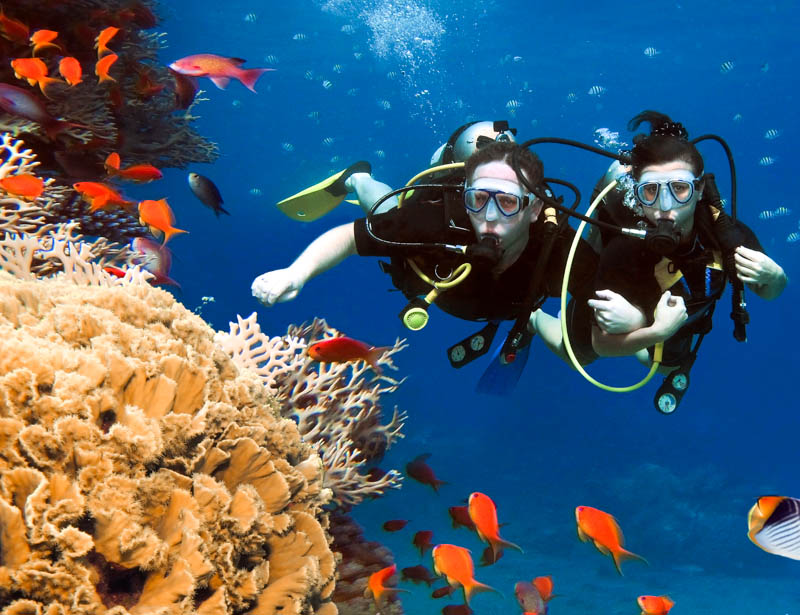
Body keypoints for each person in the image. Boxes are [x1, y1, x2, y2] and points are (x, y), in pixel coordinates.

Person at [252, 139, 599, 389]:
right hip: (422, 272)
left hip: (510, 304)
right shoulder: (432, 221)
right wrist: (296, 273)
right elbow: (349, 238)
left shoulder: (559, 248)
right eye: (478, 199)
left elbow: (609, 293)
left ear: (535, 208)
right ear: (465, 197)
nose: (490, 217)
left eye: (508, 202)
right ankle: (358, 178)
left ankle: (533, 318)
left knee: (576, 349)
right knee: (386, 212)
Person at [532, 110, 786, 386]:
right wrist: (656, 331)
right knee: (576, 355)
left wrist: (776, 278)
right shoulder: (623, 248)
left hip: (678, 320)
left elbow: (769, 292)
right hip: (637, 316)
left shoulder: (725, 234)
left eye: (679, 188)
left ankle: (641, 339)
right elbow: (600, 344)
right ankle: (534, 319)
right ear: (637, 195)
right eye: (651, 190)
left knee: (667, 367)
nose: (666, 206)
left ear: (699, 190)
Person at [275, 120, 518, 221]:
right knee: (389, 213)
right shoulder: (439, 204)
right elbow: (354, 237)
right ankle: (358, 179)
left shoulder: (538, 205)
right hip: (431, 194)